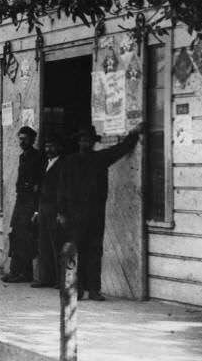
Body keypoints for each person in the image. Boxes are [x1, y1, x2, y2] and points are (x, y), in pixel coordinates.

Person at [58, 123, 142, 301]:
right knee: (75, 251)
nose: (85, 143)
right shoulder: (69, 162)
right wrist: (62, 212)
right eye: (82, 140)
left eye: (88, 140)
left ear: (93, 142)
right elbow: (62, 189)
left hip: (95, 213)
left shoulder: (100, 158)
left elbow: (121, 149)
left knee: (95, 250)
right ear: (78, 142)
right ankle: (77, 289)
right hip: (74, 214)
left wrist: (133, 133)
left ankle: (94, 289)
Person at [3, 126, 43, 283]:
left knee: (25, 237)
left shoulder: (38, 157)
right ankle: (23, 273)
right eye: (20, 138)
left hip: (31, 202)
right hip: (21, 200)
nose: (22, 142)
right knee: (17, 236)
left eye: (25, 139)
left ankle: (18, 273)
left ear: (32, 140)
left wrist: (35, 209)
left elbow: (39, 182)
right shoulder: (23, 157)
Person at [32, 134, 67, 288]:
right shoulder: (45, 163)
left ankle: (61, 280)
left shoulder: (64, 165)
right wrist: (36, 211)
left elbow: (64, 189)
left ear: (59, 147)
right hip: (43, 207)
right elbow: (40, 188)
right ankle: (46, 278)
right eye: (46, 146)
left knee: (57, 244)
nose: (48, 149)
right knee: (43, 244)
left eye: (52, 146)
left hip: (55, 208)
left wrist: (61, 212)